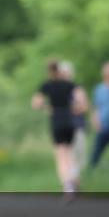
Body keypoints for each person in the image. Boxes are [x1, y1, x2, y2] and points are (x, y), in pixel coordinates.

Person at [32, 60, 88, 194]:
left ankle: (67, 186)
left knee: (60, 155)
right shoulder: (71, 85)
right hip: (70, 120)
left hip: (56, 120)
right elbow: (82, 103)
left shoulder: (47, 85)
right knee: (70, 152)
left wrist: (49, 107)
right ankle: (74, 177)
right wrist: (73, 108)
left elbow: (36, 103)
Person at [58, 61, 89, 187]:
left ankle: (74, 181)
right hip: (62, 128)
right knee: (65, 156)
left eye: (66, 73)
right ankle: (69, 184)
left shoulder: (77, 89)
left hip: (76, 127)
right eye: (62, 74)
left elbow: (84, 106)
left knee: (78, 156)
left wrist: (69, 107)